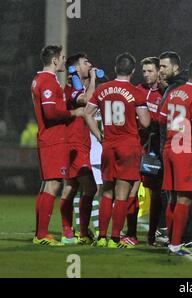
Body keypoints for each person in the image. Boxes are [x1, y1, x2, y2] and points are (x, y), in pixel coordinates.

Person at [84, 52, 150, 248]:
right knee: (122, 193)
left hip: (109, 144)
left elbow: (87, 114)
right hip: (128, 145)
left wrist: (99, 135)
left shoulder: (102, 89)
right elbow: (145, 122)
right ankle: (114, 238)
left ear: (115, 69)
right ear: (133, 71)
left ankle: (101, 236)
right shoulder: (137, 93)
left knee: (106, 191)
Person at [31, 45, 84, 246]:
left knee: (47, 185)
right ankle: (42, 235)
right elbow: (51, 113)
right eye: (62, 58)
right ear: (54, 60)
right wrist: (73, 113)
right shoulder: (46, 81)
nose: (64, 60)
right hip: (53, 139)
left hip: (49, 138)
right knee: (53, 184)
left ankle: (40, 233)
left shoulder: (42, 79)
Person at [159, 57, 192, 256]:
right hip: (185, 149)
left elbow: (162, 118)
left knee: (172, 198)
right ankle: (176, 244)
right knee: (184, 198)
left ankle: (172, 241)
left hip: (169, 147)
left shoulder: (172, 93)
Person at [158, 51, 192, 247]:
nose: (160, 71)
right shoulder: (185, 86)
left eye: (164, 67)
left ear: (175, 67)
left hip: (177, 147)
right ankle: (179, 238)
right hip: (179, 148)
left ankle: (182, 237)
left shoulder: (176, 88)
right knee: (179, 196)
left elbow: (161, 118)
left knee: (179, 196)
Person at [60, 53, 98, 245]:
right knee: (88, 187)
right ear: (76, 68)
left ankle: (72, 232)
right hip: (73, 144)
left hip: (78, 144)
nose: (90, 64)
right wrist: (93, 79)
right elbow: (87, 99)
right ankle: (78, 232)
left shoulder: (75, 88)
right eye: (86, 62)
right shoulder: (72, 90)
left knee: (72, 186)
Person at [136, 57, 165, 245]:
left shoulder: (164, 93)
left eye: (150, 71)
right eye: (144, 71)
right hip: (136, 148)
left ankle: (153, 233)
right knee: (130, 190)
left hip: (155, 151)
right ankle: (128, 231)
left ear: (158, 72)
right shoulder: (137, 90)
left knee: (156, 193)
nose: (146, 74)